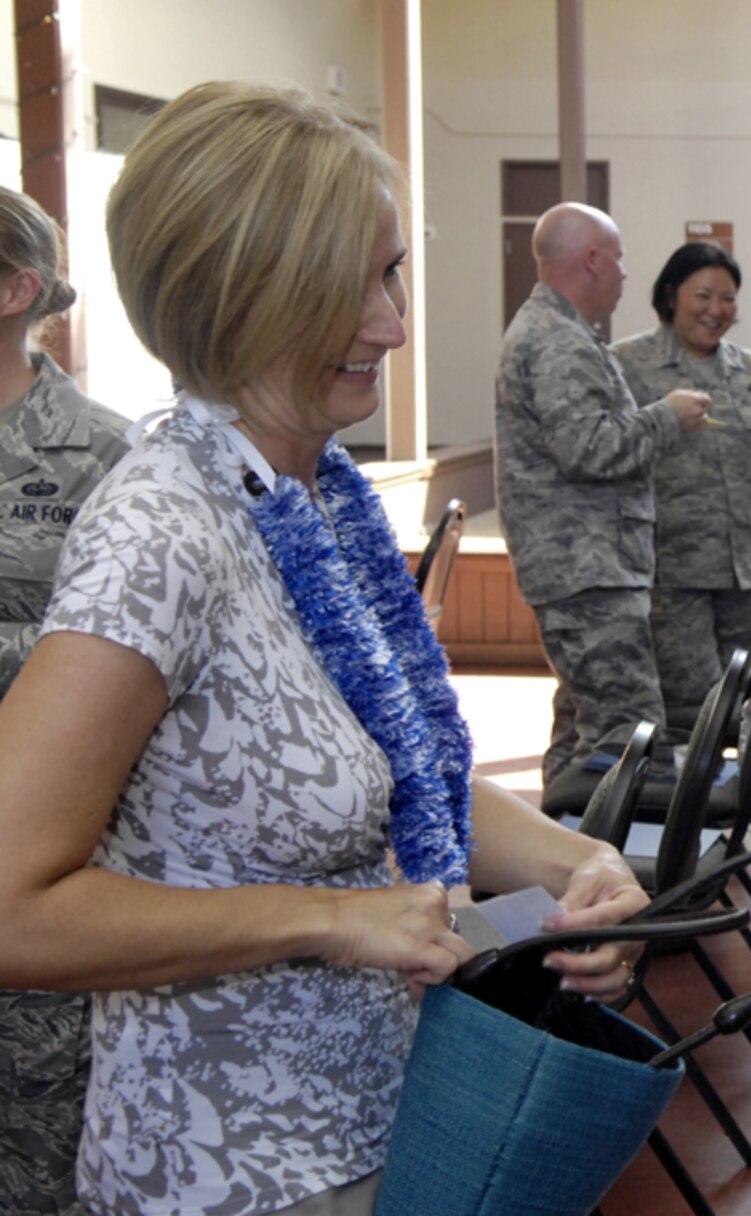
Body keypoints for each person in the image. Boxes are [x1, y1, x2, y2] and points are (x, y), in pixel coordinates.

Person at [0, 84, 652, 1216]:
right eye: (353, 285)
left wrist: (566, 865)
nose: (394, 323)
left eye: (393, 272)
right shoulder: (162, 532)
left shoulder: (311, 495)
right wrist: (326, 915)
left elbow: (397, 768)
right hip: (236, 1170)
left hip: (383, 1121)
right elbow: (11, 903)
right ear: (243, 295)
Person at [0, 187, 130, 1216]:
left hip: (44, 873)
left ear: (16, 289)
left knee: (45, 1163)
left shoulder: (104, 457)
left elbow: (135, 670)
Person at [495, 203, 710, 814]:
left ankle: (556, 858)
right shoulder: (558, 341)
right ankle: (627, 892)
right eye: (617, 260)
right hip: (586, 567)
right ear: (591, 259)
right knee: (629, 736)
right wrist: (665, 417)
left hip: (586, 565)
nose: (622, 275)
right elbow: (588, 447)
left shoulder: (555, 331)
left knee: (579, 737)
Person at [614, 243, 751, 731]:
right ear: (671, 294)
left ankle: (722, 802)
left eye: (727, 298)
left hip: (741, 573)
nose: (716, 310)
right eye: (703, 295)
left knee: (735, 702)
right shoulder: (627, 365)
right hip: (669, 576)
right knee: (690, 709)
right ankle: (687, 804)